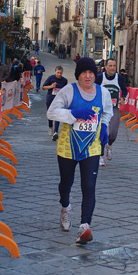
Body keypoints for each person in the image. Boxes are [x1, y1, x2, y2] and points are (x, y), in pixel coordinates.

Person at [47, 57, 113, 244]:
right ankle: (65, 208)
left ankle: (84, 226)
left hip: (91, 147)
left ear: (95, 74)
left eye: (91, 72)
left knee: (89, 186)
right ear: (78, 75)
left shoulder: (103, 93)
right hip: (68, 146)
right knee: (66, 184)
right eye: (84, 72)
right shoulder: (69, 91)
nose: (88, 76)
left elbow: (107, 111)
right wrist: (73, 114)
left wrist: (105, 126)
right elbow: (51, 113)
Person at [95, 59, 128, 167]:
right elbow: (93, 89)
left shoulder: (120, 78)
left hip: (114, 108)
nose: (113, 68)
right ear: (106, 67)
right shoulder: (100, 77)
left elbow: (125, 89)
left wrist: (123, 97)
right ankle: (101, 155)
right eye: (110, 65)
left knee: (113, 132)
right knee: (101, 131)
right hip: (101, 109)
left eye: (114, 65)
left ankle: (109, 145)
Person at [42, 66, 68, 140]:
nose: (59, 74)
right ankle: (50, 126)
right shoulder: (51, 78)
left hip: (59, 100)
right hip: (50, 98)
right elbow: (43, 87)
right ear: (55, 72)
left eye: (60, 73)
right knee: (50, 114)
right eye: (58, 73)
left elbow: (65, 90)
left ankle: (56, 132)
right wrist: (51, 86)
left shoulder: (64, 80)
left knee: (57, 115)